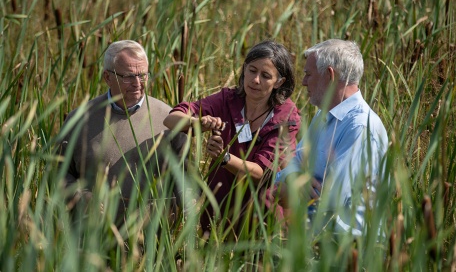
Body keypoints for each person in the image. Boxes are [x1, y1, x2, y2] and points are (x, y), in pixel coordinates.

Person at [163, 40, 301, 236]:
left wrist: (224, 158)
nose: (255, 80)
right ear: (244, 69)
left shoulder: (286, 118)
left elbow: (261, 173)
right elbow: (171, 120)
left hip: (262, 222)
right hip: (220, 217)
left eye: (266, 76)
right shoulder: (228, 99)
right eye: (252, 70)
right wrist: (197, 123)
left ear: (279, 82)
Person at [59, 40, 186, 225]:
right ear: (107, 77)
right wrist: (81, 198)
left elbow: (186, 179)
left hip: (153, 241)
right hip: (93, 237)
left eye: (143, 75)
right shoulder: (79, 120)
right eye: (128, 76)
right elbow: (57, 174)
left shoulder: (168, 118)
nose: (137, 83)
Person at [270, 39, 388, 236]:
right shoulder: (323, 115)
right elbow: (292, 166)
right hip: (317, 243)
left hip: (349, 252)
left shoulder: (360, 127)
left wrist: (291, 186)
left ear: (330, 75)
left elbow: (330, 199)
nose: (303, 82)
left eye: (308, 75)